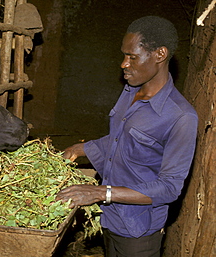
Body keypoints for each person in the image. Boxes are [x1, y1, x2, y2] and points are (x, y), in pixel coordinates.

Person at [56, 16, 198, 257]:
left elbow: (169, 188)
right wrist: (80, 149)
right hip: (108, 217)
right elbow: (121, 140)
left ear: (160, 55)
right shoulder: (130, 90)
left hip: (137, 231)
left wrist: (102, 192)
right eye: (124, 55)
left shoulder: (181, 117)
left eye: (132, 57)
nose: (123, 64)